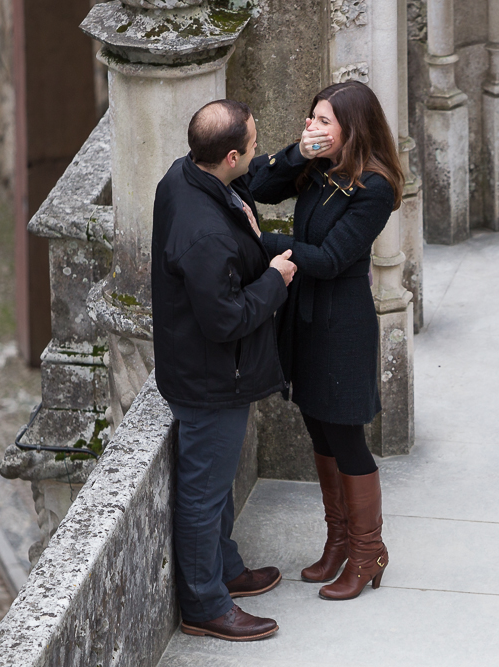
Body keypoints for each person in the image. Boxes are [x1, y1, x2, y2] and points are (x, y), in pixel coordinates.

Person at [248, 81, 403, 601]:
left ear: (351, 129)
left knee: (346, 436)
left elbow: (332, 259)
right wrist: (297, 153)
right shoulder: (318, 169)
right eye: (310, 119)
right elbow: (256, 183)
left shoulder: (374, 187)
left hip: (342, 325)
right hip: (305, 317)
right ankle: (338, 542)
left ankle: (368, 551)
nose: (312, 128)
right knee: (317, 426)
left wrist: (263, 242)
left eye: (323, 123)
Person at [151, 99, 298, 640]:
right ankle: (206, 605)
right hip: (211, 377)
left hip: (199, 366)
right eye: (253, 146)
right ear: (230, 154)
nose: (257, 153)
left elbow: (243, 186)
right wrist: (274, 280)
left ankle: (227, 570)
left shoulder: (182, 176)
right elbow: (226, 319)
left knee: (217, 486)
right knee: (202, 493)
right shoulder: (206, 234)